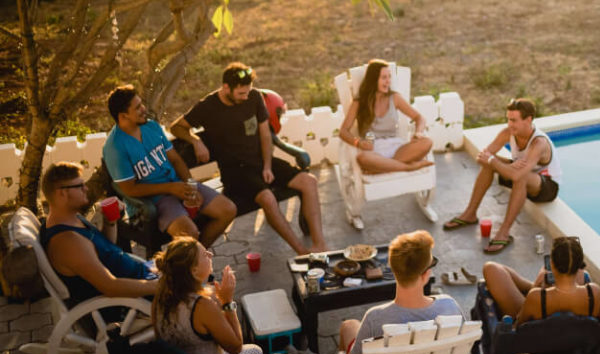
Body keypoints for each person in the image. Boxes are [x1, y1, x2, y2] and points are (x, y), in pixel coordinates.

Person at [170, 62, 327, 254]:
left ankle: (320, 245)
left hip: (260, 162)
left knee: (309, 181)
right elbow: (176, 127)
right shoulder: (208, 106)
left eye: (247, 92)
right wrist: (195, 140)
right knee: (268, 198)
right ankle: (302, 252)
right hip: (235, 172)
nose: (246, 97)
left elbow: (265, 134)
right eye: (241, 93)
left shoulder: (253, 97)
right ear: (226, 87)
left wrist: (268, 166)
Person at [103, 85, 236, 247]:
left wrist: (191, 186)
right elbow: (129, 189)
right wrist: (171, 188)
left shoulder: (151, 126)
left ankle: (196, 258)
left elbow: (176, 160)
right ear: (123, 116)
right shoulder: (115, 147)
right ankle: (191, 260)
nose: (144, 109)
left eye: (141, 104)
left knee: (228, 210)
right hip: (153, 202)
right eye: (137, 107)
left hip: (179, 186)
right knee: (190, 234)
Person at [152, 237, 290, 354]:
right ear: (194, 271)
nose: (210, 254)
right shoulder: (201, 306)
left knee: (255, 351)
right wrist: (227, 302)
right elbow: (236, 347)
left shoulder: (160, 296)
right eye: (204, 255)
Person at [337, 230, 461, 354]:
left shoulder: (375, 319)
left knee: (349, 326)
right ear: (426, 274)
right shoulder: (450, 307)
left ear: (394, 271)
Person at [443, 98, 562, 254]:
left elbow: (517, 174)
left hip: (546, 187)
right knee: (489, 165)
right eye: (508, 119)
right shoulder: (508, 133)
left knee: (518, 175)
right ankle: (470, 214)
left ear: (529, 119)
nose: (509, 124)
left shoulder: (538, 143)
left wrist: (495, 161)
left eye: (514, 120)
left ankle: (504, 233)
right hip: (521, 173)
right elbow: (482, 157)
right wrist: (499, 163)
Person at [39, 162, 158, 305]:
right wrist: (162, 285)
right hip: (135, 300)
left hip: (145, 275)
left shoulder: (72, 218)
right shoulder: (67, 242)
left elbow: (105, 250)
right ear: (62, 193)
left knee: (187, 256)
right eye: (80, 186)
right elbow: (110, 287)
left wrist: (110, 222)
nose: (86, 188)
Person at [482, 235, 600, 325]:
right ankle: (541, 285)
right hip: (576, 347)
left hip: (539, 350)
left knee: (491, 268)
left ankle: (535, 284)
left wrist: (536, 287)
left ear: (551, 265)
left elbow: (517, 330)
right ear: (579, 267)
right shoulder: (595, 293)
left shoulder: (536, 297)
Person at [337, 59, 433, 173]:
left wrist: (418, 133)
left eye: (389, 77)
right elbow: (343, 131)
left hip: (396, 148)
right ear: (373, 80)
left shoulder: (395, 98)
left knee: (427, 142)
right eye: (384, 78)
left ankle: (385, 167)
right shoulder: (359, 102)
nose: (388, 81)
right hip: (373, 150)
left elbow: (419, 118)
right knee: (362, 158)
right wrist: (358, 143)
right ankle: (408, 167)